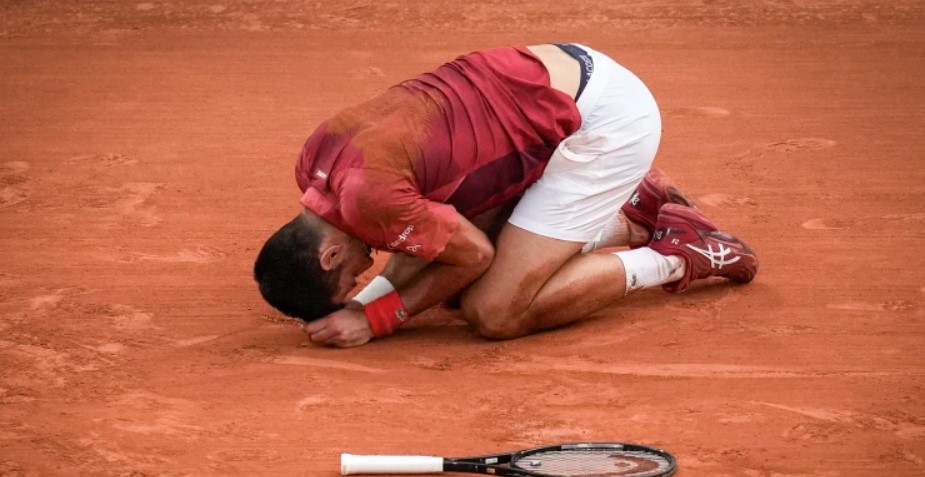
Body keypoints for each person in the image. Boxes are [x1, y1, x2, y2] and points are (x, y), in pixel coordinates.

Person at [254, 43, 758, 347]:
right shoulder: (314, 165)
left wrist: (376, 318)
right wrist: (356, 311)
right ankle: (631, 213)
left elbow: (473, 255)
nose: (366, 266)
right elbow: (420, 239)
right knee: (443, 278)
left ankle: (680, 252)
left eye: (351, 277)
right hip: (553, 67)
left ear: (329, 254)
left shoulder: (370, 200)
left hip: (605, 124)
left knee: (494, 310)